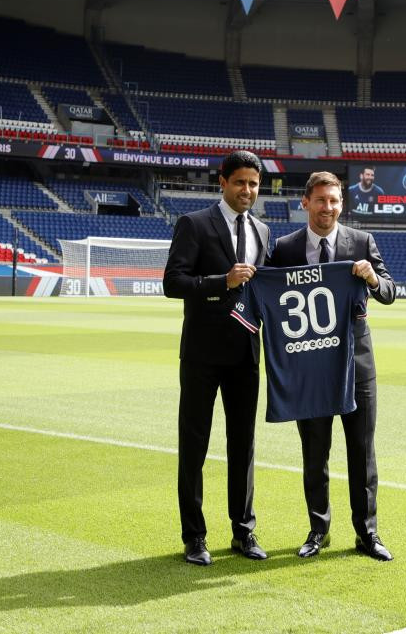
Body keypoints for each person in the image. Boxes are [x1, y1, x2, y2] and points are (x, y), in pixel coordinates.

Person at [270, 171, 396, 561]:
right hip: (309, 370)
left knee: (362, 451)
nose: (329, 208)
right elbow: (272, 300)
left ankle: (368, 534)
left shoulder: (361, 241)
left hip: (356, 367)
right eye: (322, 200)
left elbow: (390, 292)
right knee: (314, 452)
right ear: (305, 202)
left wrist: (373, 278)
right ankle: (318, 530)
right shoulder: (285, 248)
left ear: (343, 203)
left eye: (335, 201)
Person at [163, 150, 272, 566]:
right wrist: (220, 282)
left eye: (254, 184)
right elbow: (173, 282)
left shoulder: (262, 230)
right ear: (222, 182)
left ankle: (243, 531)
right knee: (194, 446)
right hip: (202, 355)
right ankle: (194, 537)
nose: (248, 191)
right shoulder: (194, 224)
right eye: (240, 182)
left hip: (246, 354)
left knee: (243, 446)